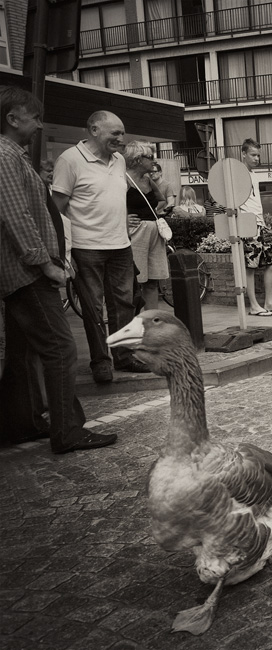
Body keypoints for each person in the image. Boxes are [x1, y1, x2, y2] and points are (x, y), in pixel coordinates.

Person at [0, 86, 116, 453]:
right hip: (28, 273)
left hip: (22, 272)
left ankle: (22, 423)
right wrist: (44, 264)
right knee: (61, 349)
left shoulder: (12, 156)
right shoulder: (5, 157)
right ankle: (66, 431)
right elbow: (15, 216)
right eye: (33, 117)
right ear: (12, 118)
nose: (39, 124)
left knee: (23, 352)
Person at [52, 110, 147, 382]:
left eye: (122, 132)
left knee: (125, 305)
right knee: (93, 309)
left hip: (120, 246)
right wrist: (64, 252)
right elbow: (56, 209)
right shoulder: (69, 160)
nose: (121, 138)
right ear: (94, 130)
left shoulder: (118, 161)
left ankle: (124, 357)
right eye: (114, 133)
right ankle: (101, 362)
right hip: (87, 247)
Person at [238, 139, 272, 316]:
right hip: (248, 223)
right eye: (253, 154)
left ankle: (268, 302)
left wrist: (263, 222)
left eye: (258, 155)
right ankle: (253, 305)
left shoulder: (254, 175)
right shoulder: (238, 174)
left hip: (260, 223)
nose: (257, 158)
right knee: (250, 266)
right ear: (243, 154)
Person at [124, 141, 170, 311]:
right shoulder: (124, 178)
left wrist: (155, 214)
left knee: (152, 280)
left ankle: (152, 321)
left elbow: (162, 199)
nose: (154, 160)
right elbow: (110, 204)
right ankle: (134, 322)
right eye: (150, 157)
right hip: (136, 232)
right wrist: (124, 219)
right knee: (135, 280)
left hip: (153, 230)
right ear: (136, 159)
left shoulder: (147, 179)